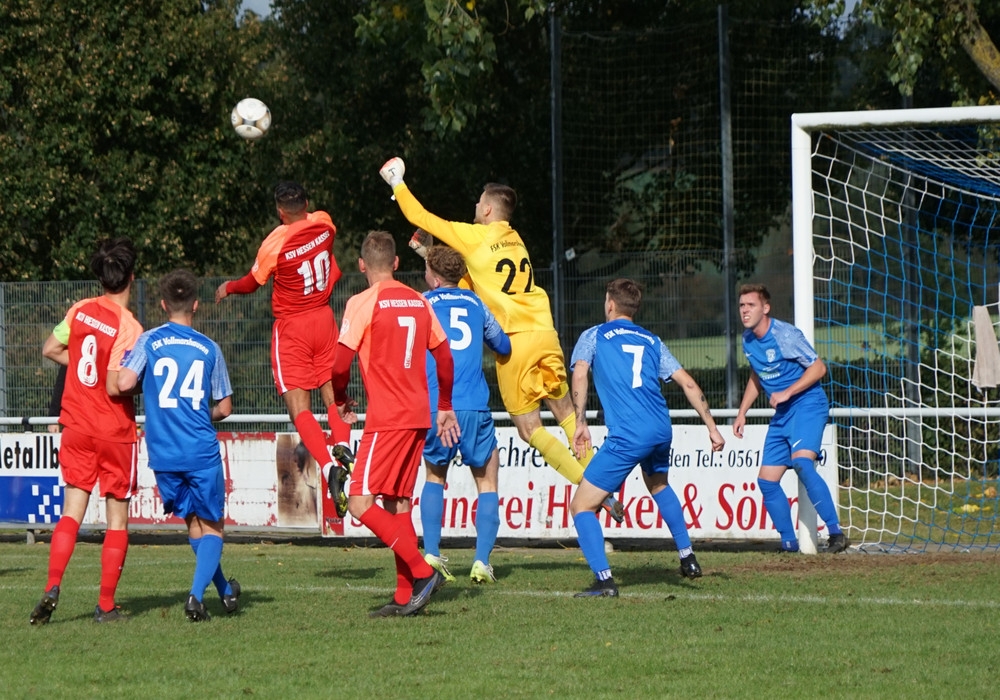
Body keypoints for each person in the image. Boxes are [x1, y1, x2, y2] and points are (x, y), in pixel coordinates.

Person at [379, 157, 625, 524]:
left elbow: (420, 216)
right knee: (566, 414)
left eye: (479, 201)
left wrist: (396, 182)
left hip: (515, 341)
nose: (475, 205)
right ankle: (601, 481)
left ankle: (593, 490)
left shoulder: (476, 236)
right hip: (545, 332)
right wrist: (428, 254)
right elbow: (477, 285)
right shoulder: (515, 240)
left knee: (530, 430)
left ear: (488, 210)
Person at [331, 230, 460, 618]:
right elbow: (444, 357)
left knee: (359, 501)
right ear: (397, 263)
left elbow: (339, 365)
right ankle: (405, 596)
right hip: (419, 414)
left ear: (361, 265)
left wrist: (341, 399)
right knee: (398, 502)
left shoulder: (362, 302)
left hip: (387, 417)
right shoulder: (420, 300)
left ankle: (422, 571)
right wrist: (445, 405)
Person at [569, 279, 725, 597]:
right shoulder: (652, 340)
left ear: (610, 304)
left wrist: (580, 422)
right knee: (659, 485)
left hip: (629, 433)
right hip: (660, 429)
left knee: (581, 506)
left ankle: (604, 581)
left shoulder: (594, 335)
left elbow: (580, 373)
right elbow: (688, 383)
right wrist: (711, 426)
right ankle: (688, 558)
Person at [215, 181, 354, 516]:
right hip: (324, 318)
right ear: (307, 203)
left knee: (299, 408)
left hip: (293, 327)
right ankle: (344, 447)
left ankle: (328, 468)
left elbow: (252, 283)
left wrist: (228, 287)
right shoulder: (325, 223)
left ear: (280, 211)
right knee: (333, 397)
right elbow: (334, 270)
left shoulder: (275, 242)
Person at [30, 237, 143, 624]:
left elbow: (49, 348)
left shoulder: (79, 309)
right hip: (113, 430)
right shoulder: (130, 326)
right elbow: (116, 385)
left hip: (76, 425)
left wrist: (79, 363)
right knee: (117, 521)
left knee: (71, 513)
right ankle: (106, 605)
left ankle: (52, 586)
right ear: (131, 276)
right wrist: (141, 384)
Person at [117, 269, 239, 621]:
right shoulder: (209, 348)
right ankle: (195, 597)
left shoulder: (149, 341)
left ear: (162, 304)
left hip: (164, 453)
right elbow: (225, 408)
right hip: (200, 450)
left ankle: (224, 591)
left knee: (194, 524)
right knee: (213, 526)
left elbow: (124, 382)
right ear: (196, 305)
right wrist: (199, 411)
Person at [732, 283, 848, 554]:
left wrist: (787, 392)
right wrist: (742, 412)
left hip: (808, 404)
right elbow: (757, 375)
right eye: (741, 305)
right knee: (766, 481)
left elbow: (819, 368)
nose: (745, 310)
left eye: (751, 305)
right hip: (783, 413)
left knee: (802, 464)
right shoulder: (747, 339)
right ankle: (788, 544)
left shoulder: (785, 335)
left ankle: (836, 534)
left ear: (766, 308)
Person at [418, 245, 511, 585]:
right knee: (487, 480)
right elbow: (504, 346)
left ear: (435, 277)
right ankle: (481, 561)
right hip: (473, 405)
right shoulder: (476, 303)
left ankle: (431, 552)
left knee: (434, 477)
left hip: (437, 405)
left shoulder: (422, 302)